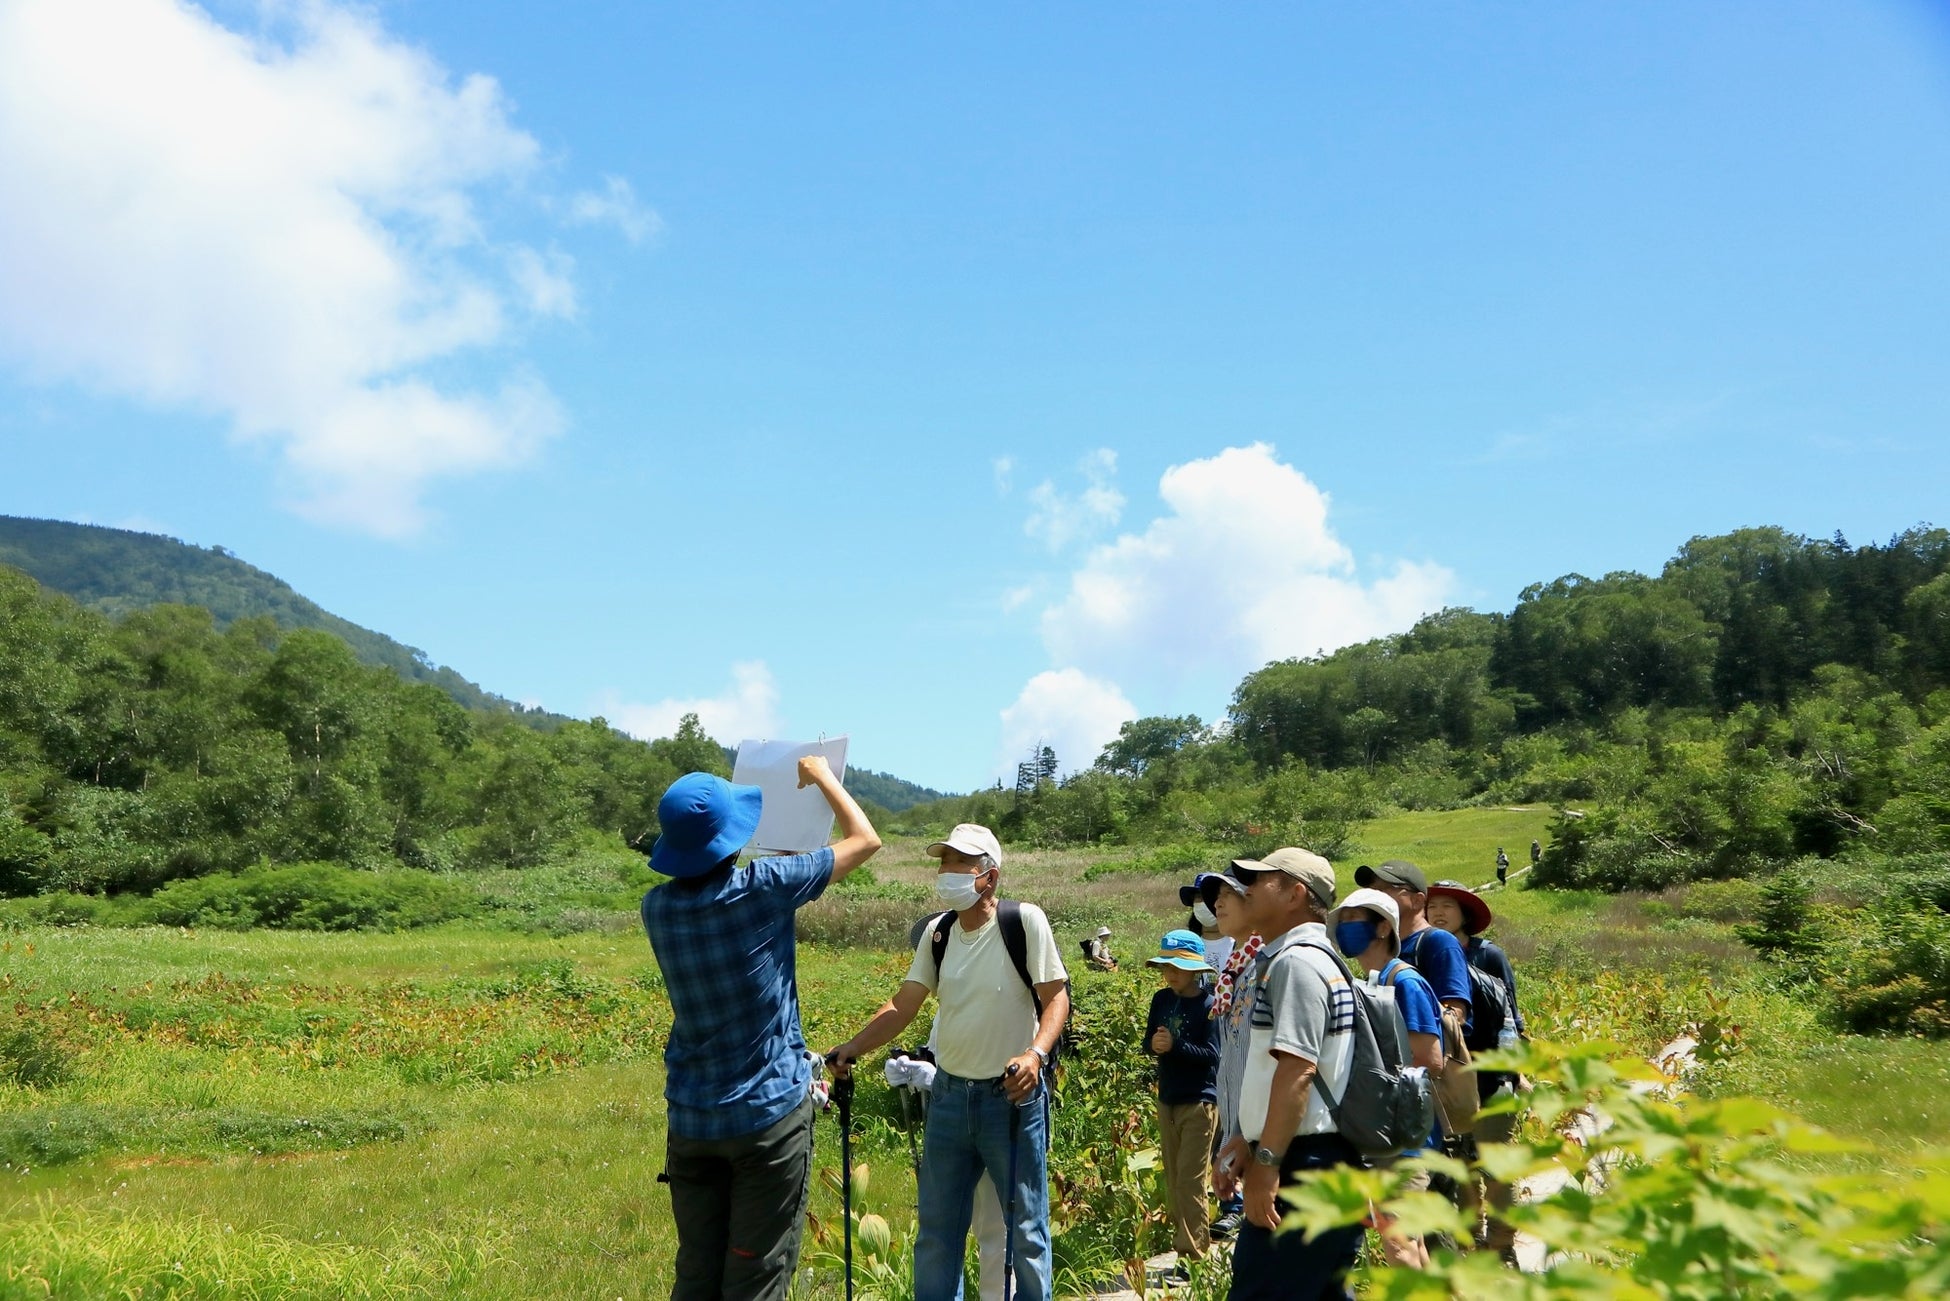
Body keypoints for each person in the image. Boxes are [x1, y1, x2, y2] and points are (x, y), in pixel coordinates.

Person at [640, 757, 881, 1301]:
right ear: (729, 838)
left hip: (692, 1119)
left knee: (697, 1276)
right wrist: (822, 776)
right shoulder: (764, 888)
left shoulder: (655, 909)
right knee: (755, 1277)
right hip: (767, 1119)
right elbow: (864, 840)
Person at [827, 825, 1070, 1301]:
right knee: (937, 1234)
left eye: (959, 863)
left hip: (1012, 1099)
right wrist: (853, 1048)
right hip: (950, 1099)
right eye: (943, 862)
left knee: (1026, 1231)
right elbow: (903, 1005)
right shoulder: (938, 933)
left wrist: (1035, 1053)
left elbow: (1055, 997)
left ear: (989, 877)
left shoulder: (1023, 923)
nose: (946, 872)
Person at [1218, 847, 1361, 1301]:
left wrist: (1267, 1164)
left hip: (1303, 1163)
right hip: (1315, 1158)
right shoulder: (1311, 959)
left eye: (1263, 880)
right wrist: (1248, 1137)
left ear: (1296, 894)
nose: (1250, 888)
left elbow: (1298, 1072)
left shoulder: (1296, 963)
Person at [1328, 887, 1443, 1269]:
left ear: (1382, 929)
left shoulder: (1404, 982)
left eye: (1353, 920)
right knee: (1412, 1243)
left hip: (1404, 1141)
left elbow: (1431, 1059)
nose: (1344, 928)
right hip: (1383, 1137)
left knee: (1398, 1244)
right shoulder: (1370, 980)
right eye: (1341, 921)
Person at [1426, 879, 1525, 1259]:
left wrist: (1516, 1069)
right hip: (1449, 1078)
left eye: (1448, 906)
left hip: (1491, 1073)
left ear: (1465, 913)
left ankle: (1502, 1244)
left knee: (1494, 1162)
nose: (1438, 912)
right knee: (1460, 1162)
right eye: (1433, 906)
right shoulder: (1425, 953)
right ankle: (1471, 1236)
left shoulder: (1488, 955)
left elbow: (1510, 1017)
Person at [1144, 930, 1221, 1274]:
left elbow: (1212, 1055)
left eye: (1177, 967)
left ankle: (1193, 1257)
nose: (1170, 974)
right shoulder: (1162, 999)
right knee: (1175, 1178)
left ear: (1195, 970)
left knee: (1190, 1181)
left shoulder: (1208, 1005)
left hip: (1199, 1102)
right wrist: (1156, 1045)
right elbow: (1149, 1042)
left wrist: (1175, 1046)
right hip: (1168, 1099)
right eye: (1166, 967)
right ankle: (1186, 1248)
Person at [1199, 871, 1259, 1244]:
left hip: (1266, 1139)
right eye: (1215, 897)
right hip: (1243, 1128)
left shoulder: (1267, 964)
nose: (1217, 904)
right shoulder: (1235, 969)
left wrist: (1252, 1141)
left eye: (1228, 895)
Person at [1180, 878, 1234, 974]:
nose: (1203, 902)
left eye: (1208, 897)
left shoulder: (1239, 946)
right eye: (1198, 897)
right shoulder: (1187, 948)